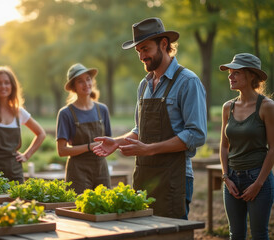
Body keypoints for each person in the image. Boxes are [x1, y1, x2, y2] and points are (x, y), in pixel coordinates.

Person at [93, 17, 207, 219]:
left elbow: (196, 134)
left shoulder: (188, 82)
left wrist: (149, 149)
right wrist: (117, 142)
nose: (141, 56)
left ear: (164, 44)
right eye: (138, 52)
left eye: (145, 49)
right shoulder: (144, 85)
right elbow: (140, 130)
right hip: (144, 176)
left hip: (175, 178)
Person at [219, 53, 274, 239]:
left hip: (258, 177)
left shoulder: (267, 106)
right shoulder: (228, 107)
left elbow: (273, 148)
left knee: (259, 234)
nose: (230, 76)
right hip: (232, 179)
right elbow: (224, 146)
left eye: (236, 72)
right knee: (235, 234)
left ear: (252, 75)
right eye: (230, 72)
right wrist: (226, 177)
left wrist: (258, 184)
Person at [0, 66, 46, 183]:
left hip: (15, 173)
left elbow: (41, 134)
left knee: (18, 202)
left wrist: (26, 155)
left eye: (7, 83)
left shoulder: (19, 112)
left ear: (12, 86)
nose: (3, 86)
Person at [56, 63, 112, 194]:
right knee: (78, 209)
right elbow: (62, 151)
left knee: (106, 207)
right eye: (80, 81)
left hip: (101, 169)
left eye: (88, 79)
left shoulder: (102, 110)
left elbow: (109, 141)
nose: (86, 84)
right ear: (73, 87)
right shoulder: (66, 113)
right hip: (77, 172)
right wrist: (89, 147)